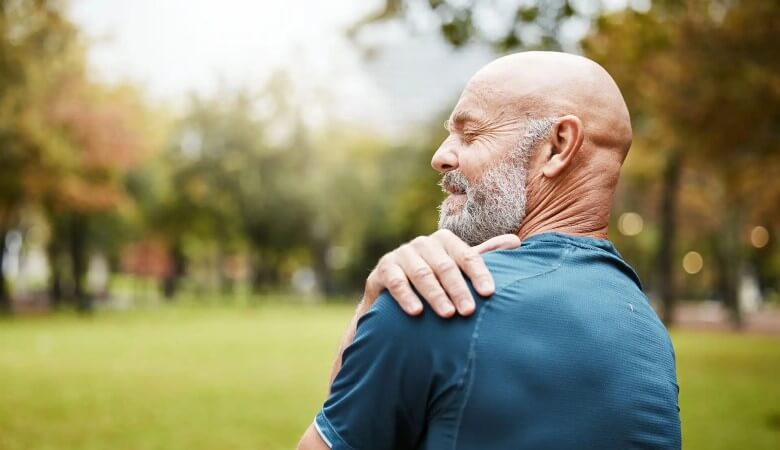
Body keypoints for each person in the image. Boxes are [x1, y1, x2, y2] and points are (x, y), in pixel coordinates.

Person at [298, 51, 681, 450]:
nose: (440, 157)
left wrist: (374, 306)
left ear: (558, 146)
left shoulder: (435, 303)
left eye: (471, 133)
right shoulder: (650, 340)